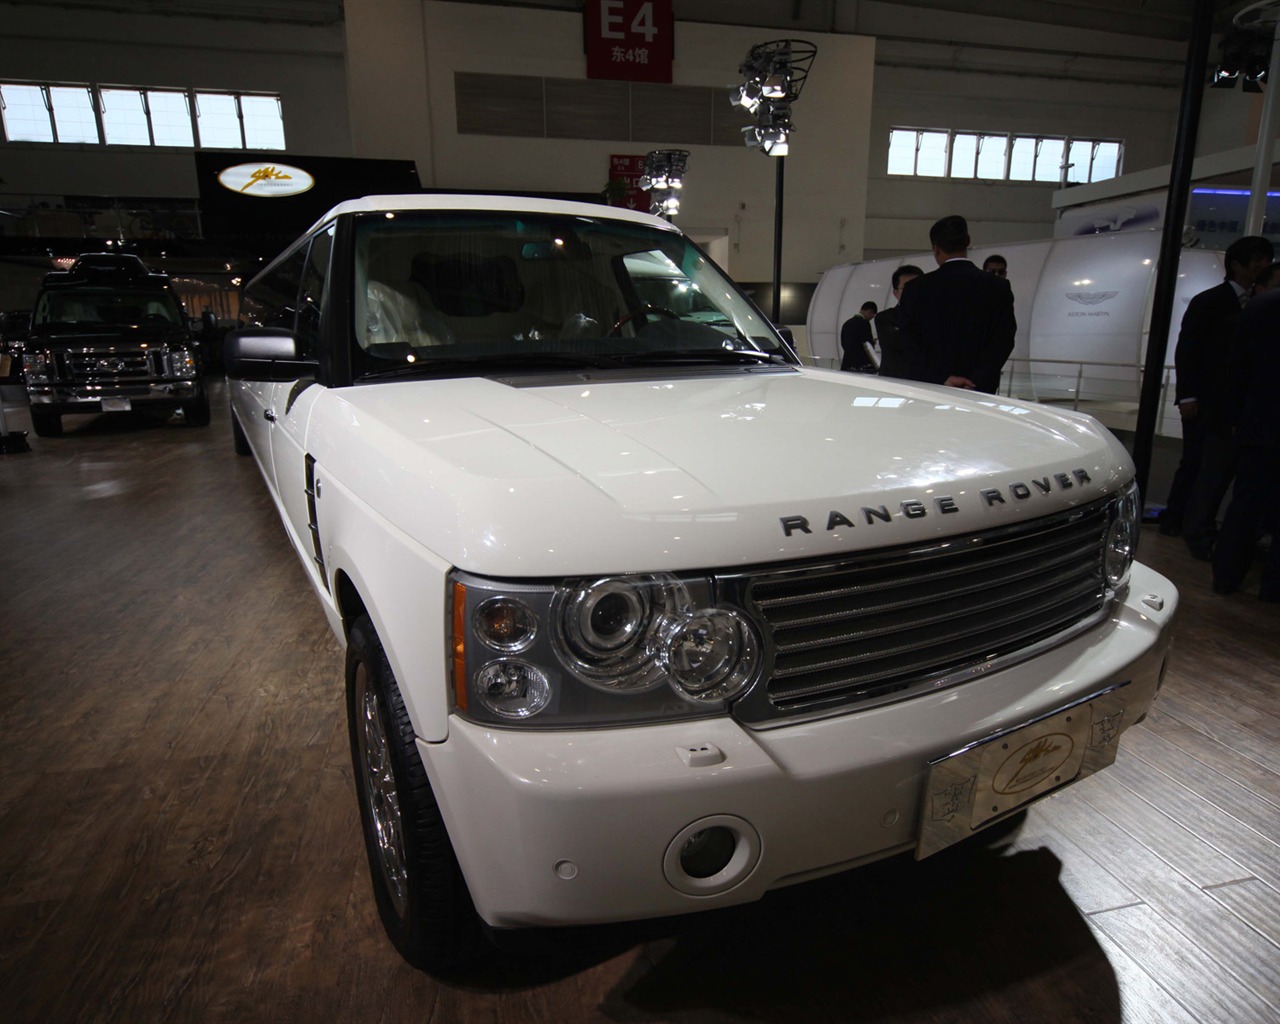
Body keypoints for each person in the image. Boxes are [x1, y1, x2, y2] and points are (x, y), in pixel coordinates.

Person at [1160, 235, 1274, 551]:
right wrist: (1187, 396)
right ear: (1237, 264)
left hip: (1231, 405)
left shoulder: (1256, 305)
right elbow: (1188, 351)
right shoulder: (1209, 301)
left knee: (1212, 466)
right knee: (1195, 462)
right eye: (1257, 261)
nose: (1262, 266)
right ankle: (1176, 519)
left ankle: (1193, 522)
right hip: (1204, 401)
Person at [1211, 285, 1280, 601]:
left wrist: (1238, 417)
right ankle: (1272, 589)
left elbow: (1235, 368)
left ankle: (1225, 577)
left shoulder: (1260, 306)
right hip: (1258, 424)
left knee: (1244, 505)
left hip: (1258, 424)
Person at [893, 215, 1016, 393]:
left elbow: (907, 340)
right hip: (980, 389)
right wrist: (977, 378)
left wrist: (941, 376)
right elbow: (1004, 340)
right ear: (967, 241)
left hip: (931, 388)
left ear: (936, 249)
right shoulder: (999, 287)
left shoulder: (916, 289)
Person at [874, 264, 923, 380]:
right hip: (895, 383)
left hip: (927, 384)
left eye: (918, 286)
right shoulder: (884, 318)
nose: (913, 292)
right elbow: (901, 344)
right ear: (895, 293)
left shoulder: (934, 316)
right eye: (907, 287)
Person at [840, 300, 879, 372]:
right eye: (872, 315)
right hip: (861, 365)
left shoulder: (847, 323)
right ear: (870, 312)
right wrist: (872, 342)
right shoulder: (864, 323)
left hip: (847, 363)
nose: (871, 318)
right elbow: (867, 345)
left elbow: (843, 343)